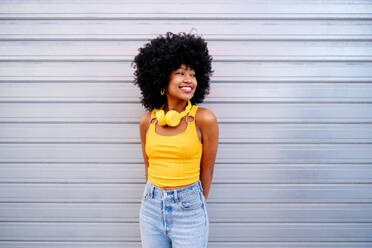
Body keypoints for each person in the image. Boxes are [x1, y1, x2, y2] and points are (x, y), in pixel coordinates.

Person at [132, 31, 219, 247]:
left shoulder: (204, 119)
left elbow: (206, 171)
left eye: (193, 74)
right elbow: (149, 166)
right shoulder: (147, 122)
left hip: (189, 210)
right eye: (181, 73)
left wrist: (191, 203)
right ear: (162, 78)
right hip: (151, 207)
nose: (189, 80)